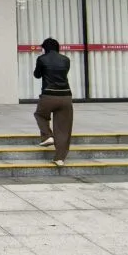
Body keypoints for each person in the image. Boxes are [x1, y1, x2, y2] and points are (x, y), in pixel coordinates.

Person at [33, 37, 74, 166]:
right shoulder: (66, 60)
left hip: (48, 95)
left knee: (40, 114)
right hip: (66, 96)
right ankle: (59, 158)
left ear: (45, 48)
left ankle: (47, 136)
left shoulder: (42, 59)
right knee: (63, 128)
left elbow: (37, 75)